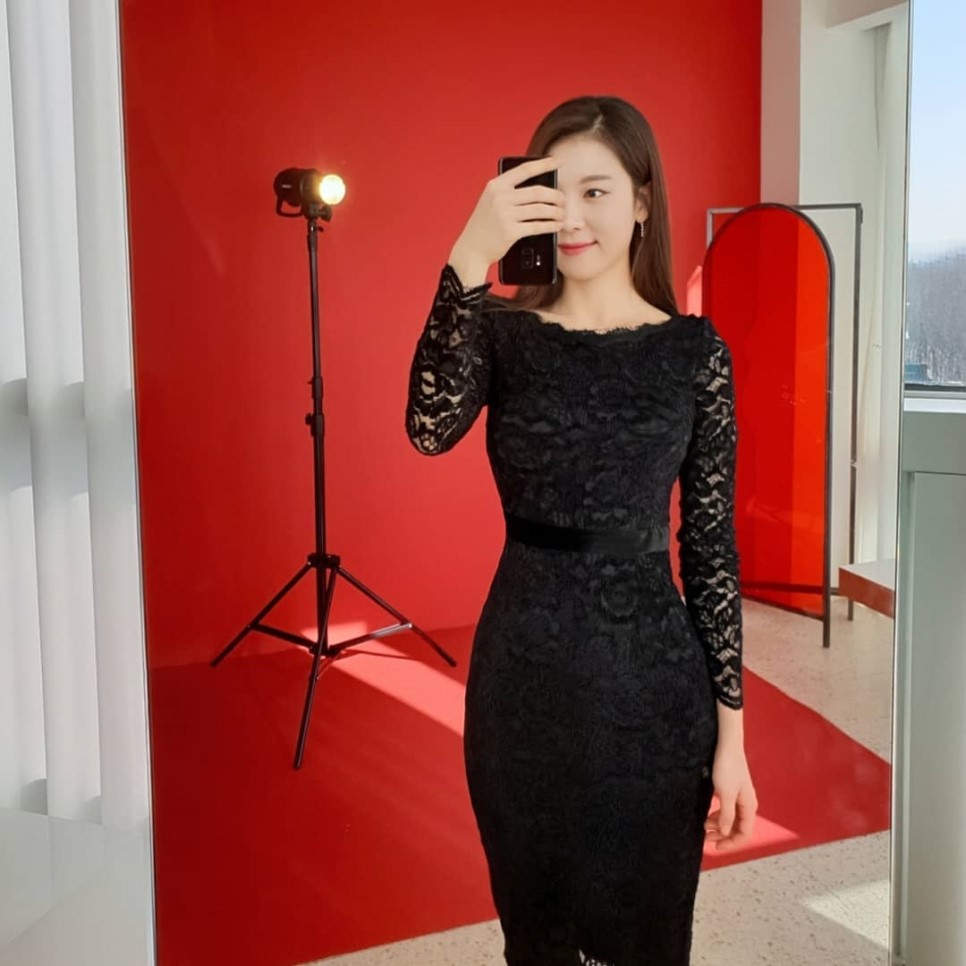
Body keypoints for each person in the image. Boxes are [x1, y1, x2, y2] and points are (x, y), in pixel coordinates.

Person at [404, 94, 757, 965]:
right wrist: (468, 256)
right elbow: (427, 428)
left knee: (646, 940)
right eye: (551, 191)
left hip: (655, 698)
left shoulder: (695, 353)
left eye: (595, 191)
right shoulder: (503, 334)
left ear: (642, 201)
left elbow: (710, 552)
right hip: (523, 690)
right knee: (538, 940)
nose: (570, 216)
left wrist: (733, 741)